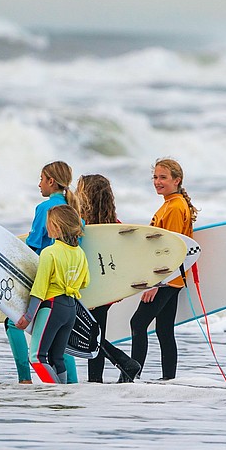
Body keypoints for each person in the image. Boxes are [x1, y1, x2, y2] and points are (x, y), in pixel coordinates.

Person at [4, 161, 80, 383]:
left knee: (12, 323)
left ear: (51, 181)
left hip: (44, 282)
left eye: (41, 179)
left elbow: (32, 248)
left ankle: (25, 380)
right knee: (60, 342)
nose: (39, 185)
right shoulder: (74, 209)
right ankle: (72, 385)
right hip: (69, 290)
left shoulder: (45, 209)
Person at [124, 158, 198, 381]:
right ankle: (169, 379)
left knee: (138, 323)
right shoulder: (170, 203)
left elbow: (170, 249)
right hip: (172, 279)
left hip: (167, 279)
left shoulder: (175, 207)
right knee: (164, 330)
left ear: (177, 180)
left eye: (163, 177)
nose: (157, 181)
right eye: (155, 177)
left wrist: (156, 283)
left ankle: (132, 378)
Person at [76, 174, 142, 383]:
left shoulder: (83, 226)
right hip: (105, 291)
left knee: (89, 336)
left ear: (87, 196)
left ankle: (124, 364)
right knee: (94, 334)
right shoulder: (113, 226)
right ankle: (96, 380)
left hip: (89, 290)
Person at [15, 205, 90, 384]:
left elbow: (39, 289)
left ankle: (56, 393)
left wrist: (28, 316)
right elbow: (85, 282)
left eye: (49, 224)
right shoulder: (80, 253)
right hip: (70, 309)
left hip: (52, 307)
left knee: (37, 357)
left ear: (57, 227)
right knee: (57, 358)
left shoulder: (50, 253)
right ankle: (63, 396)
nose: (46, 227)